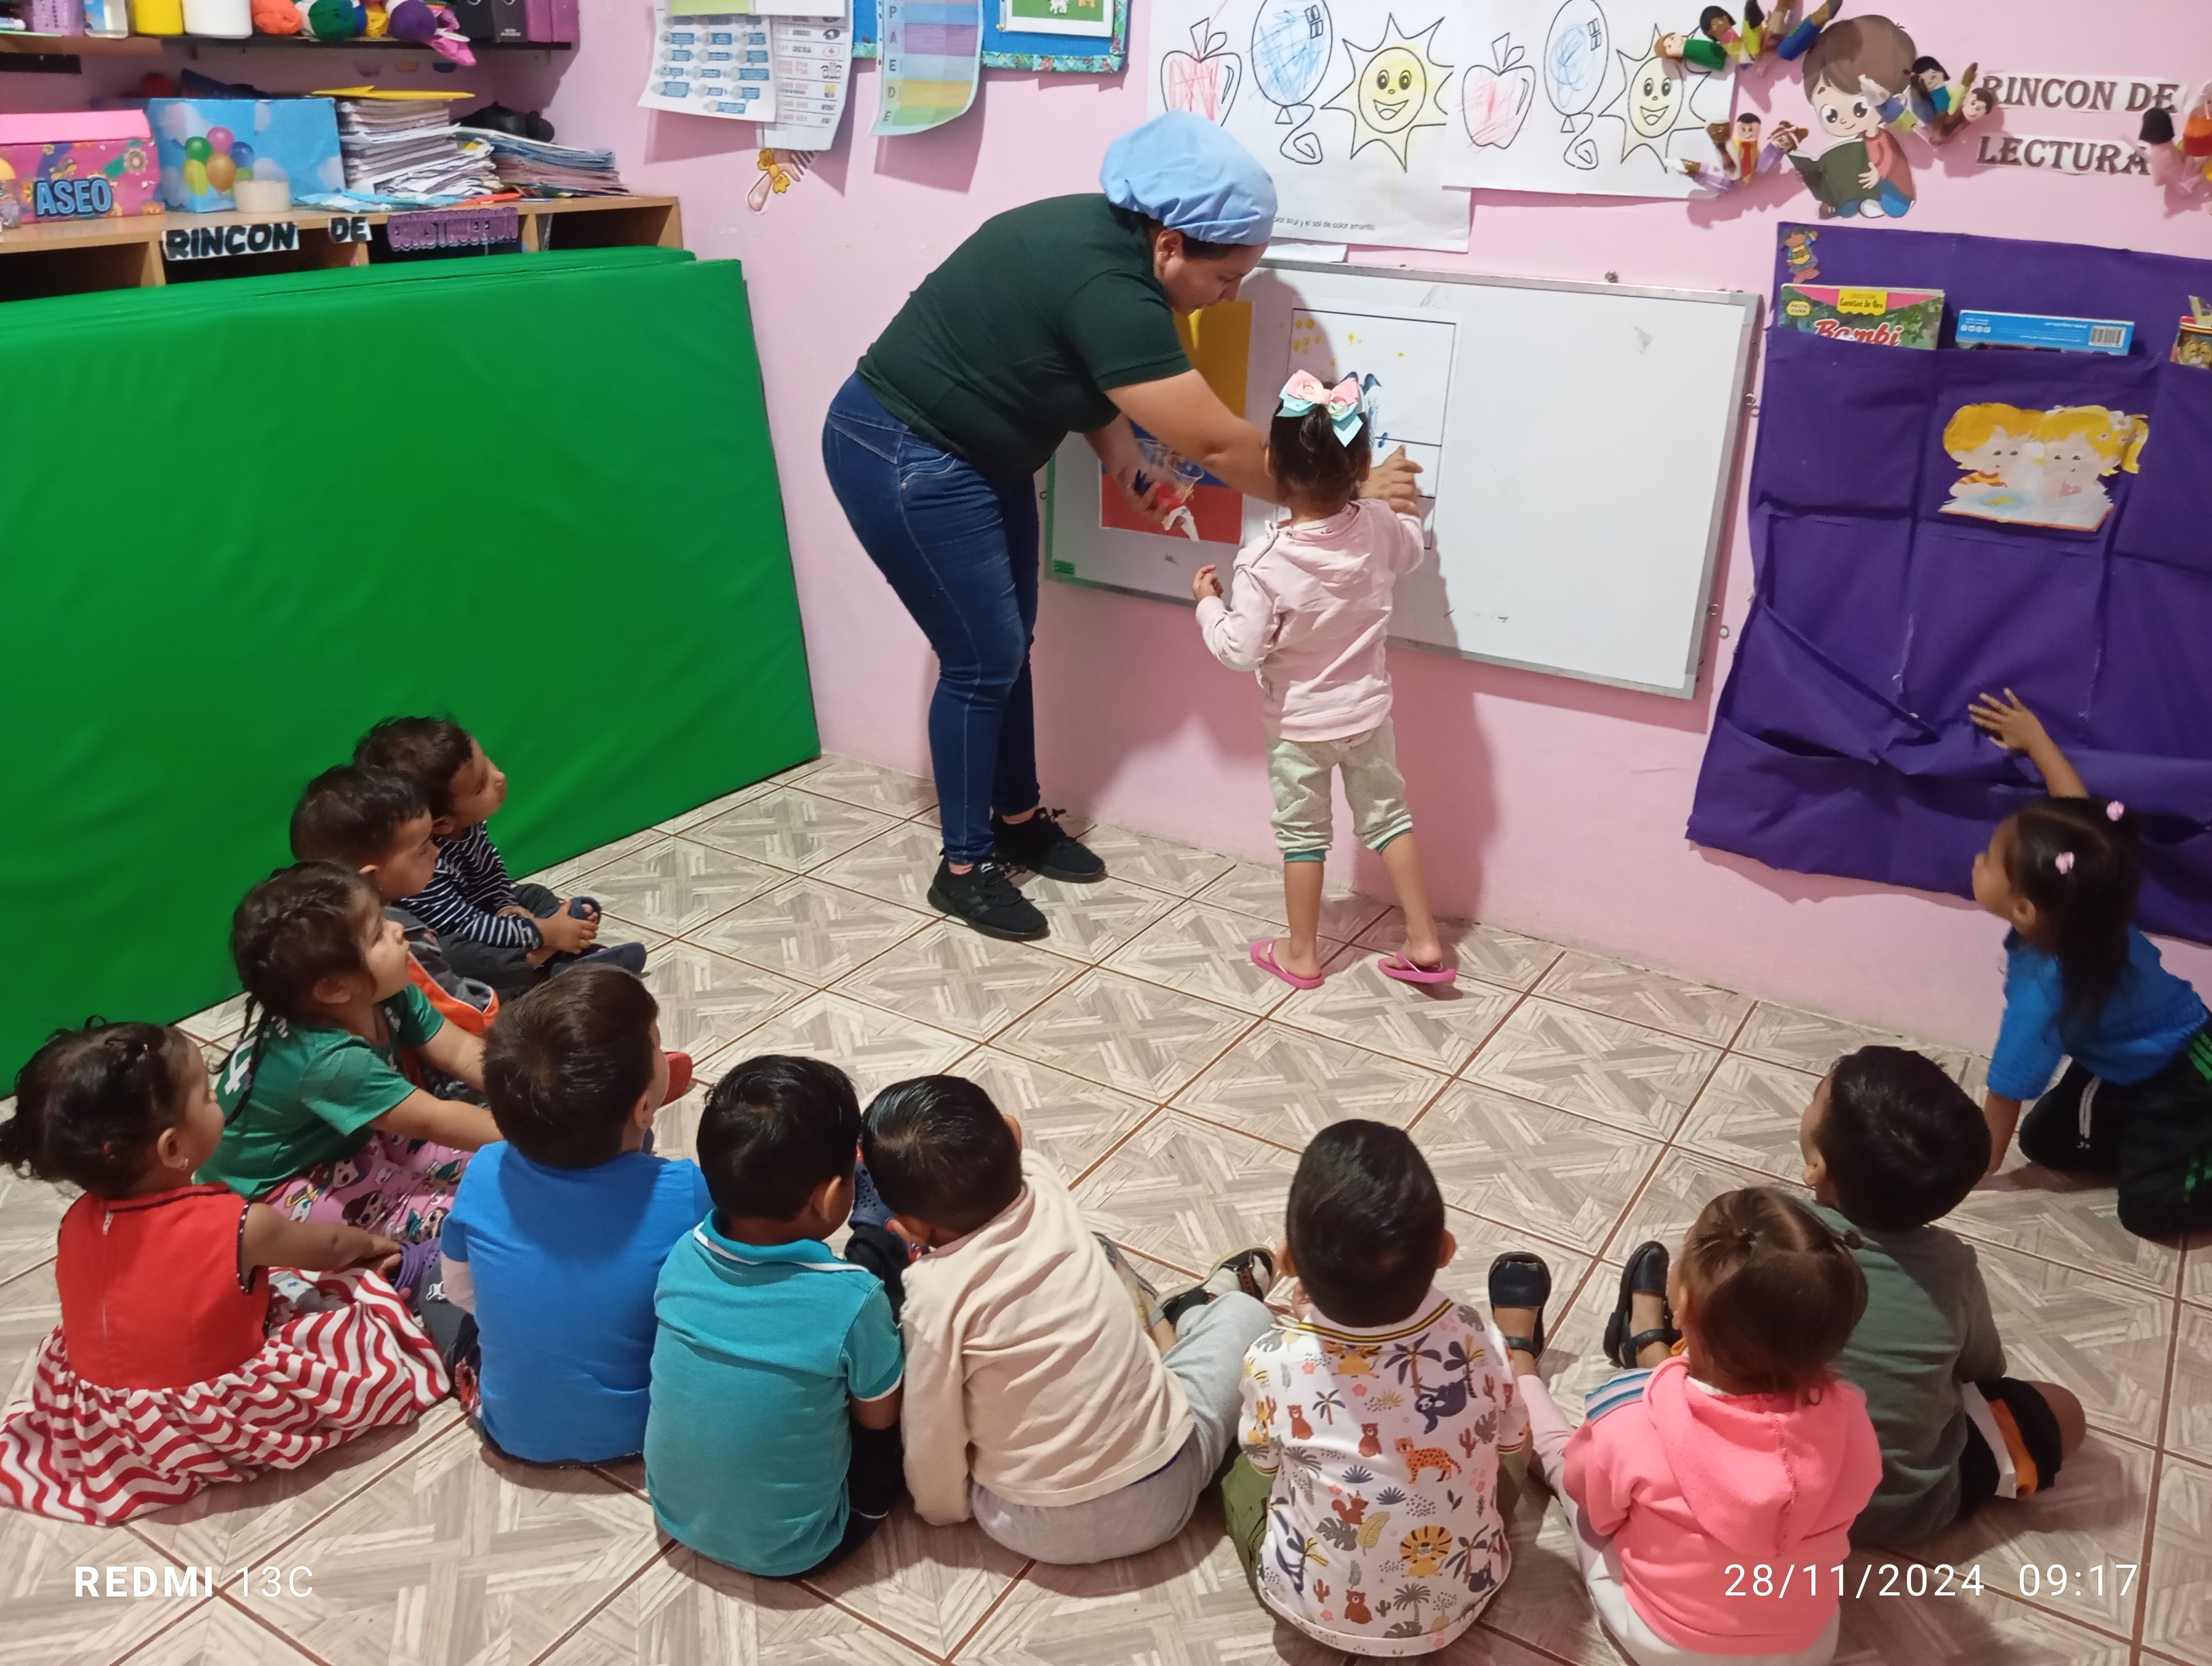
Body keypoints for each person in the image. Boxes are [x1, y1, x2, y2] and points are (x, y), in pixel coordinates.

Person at [822, 111, 1421, 944]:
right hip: (901, 451)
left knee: (1008, 648)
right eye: (1227, 278)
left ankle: (1018, 819)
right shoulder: (1109, 286)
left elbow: (1084, 373)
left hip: (978, 459)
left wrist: (1127, 464)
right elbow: (1217, 443)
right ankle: (962, 870)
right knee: (983, 660)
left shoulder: (1113, 249)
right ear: (1171, 244)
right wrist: (1352, 488)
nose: (1232, 296)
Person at [0, 1021, 447, 1524]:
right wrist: (371, 1243)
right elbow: (330, 1248)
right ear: (173, 1149)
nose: (219, 1101)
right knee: (363, 1316)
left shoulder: (75, 1220)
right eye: (208, 1096)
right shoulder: (241, 1224)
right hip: (202, 1418)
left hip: (105, 1425)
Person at [861, 1073, 1276, 1564]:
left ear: (909, 1227)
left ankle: (1168, 1323)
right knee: (1243, 1312)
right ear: (1014, 1135)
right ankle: (1183, 1318)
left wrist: (940, 1511)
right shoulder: (1046, 1188)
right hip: (1166, 1497)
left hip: (1027, 1524)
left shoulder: (932, 1298)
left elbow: (930, 1426)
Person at [1491, 1190, 1882, 1666]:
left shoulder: (1630, 1415)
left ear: (1683, 1307)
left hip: (1667, 1641)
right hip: (1807, 1644)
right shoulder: (1852, 1416)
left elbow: (1597, 1506)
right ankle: (1643, 1345)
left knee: (1568, 1461)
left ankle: (1518, 1365)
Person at [1223, 1121, 1525, 1656]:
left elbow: (1266, 1465)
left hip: (1313, 1609)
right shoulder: (1477, 1336)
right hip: (1464, 1596)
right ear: (1446, 1250)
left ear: (1288, 1262)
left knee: (1238, 1477)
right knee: (1510, 1459)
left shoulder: (1273, 1358)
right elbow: (1509, 1440)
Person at [1193, 370, 1449, 990]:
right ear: (1361, 465)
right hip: (1367, 717)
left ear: (1272, 465)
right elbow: (1410, 548)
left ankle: (1303, 954)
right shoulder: (1380, 526)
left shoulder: (1263, 562)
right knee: (1389, 820)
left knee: (1304, 838)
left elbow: (1239, 651)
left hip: (1299, 728)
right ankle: (1424, 941)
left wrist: (1207, 605)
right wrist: (1404, 504)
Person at [1799, 1046, 2086, 1544]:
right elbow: (1984, 1372)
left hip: (1767, 1492)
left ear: (1816, 1168)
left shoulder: (1761, 1227)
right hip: (1901, 1511)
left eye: (1814, 1100)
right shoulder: (1951, 1269)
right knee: (2065, 1410)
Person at [425, 966, 708, 1464]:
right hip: (646, 1428)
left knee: (434, 1286)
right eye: (658, 1045)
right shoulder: (687, 1189)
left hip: (513, 1433)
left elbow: (463, 1293)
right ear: (644, 1106)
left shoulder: (486, 1169)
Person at [645, 1056, 905, 1579]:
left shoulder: (682, 1254)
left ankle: (875, 1242)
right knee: (897, 1398)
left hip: (676, 1514)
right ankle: (878, 1236)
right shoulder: (853, 1299)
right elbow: (878, 1419)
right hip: (800, 1548)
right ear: (830, 1196)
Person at [1966, 690, 2212, 1237]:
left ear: (2026, 909)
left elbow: (2006, 1091)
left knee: (2149, 1214)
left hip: (2188, 1069)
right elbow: (2078, 818)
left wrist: (1979, 1167)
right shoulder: (2088, 901)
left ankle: (2186, 1142)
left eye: (1989, 861)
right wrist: (2036, 742)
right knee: (2045, 1143)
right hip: (2120, 1066)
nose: (1977, 861)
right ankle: (2146, 1141)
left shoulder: (2043, 991)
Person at [203, 862, 500, 1243]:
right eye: (377, 934)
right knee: (460, 1215)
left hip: (349, 1133)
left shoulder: (385, 990)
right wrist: (534, 1136)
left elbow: (458, 1050)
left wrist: (532, 1093)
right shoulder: (328, 1061)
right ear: (333, 989)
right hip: (278, 1185)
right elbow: (434, 1120)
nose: (397, 929)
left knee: (491, 1162)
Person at [354, 716, 644, 999]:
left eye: (489, 764)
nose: (499, 778)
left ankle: (563, 959)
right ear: (441, 824)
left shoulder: (469, 825)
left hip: (482, 915)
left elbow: (490, 872)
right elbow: (465, 924)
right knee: (460, 958)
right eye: (481, 785)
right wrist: (544, 933)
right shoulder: (424, 861)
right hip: (455, 933)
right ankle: (546, 965)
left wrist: (505, 905)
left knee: (533, 894)